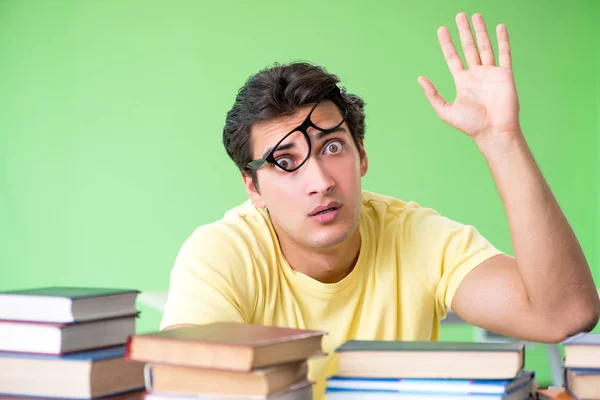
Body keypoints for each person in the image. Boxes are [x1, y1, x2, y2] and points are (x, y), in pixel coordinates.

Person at [160, 12, 599, 399]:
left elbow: (565, 315)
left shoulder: (415, 235)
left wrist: (501, 140)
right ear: (253, 187)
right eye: (285, 161)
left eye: (332, 147)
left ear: (362, 156)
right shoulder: (220, 255)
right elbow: (184, 386)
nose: (320, 181)